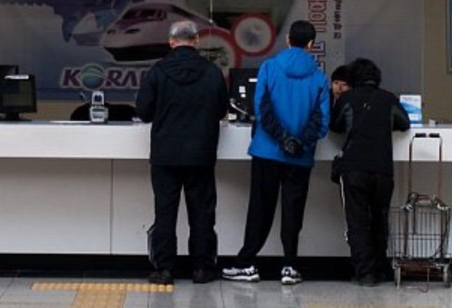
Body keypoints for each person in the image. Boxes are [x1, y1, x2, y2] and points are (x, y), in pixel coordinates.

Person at [222, 19, 329, 286]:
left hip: (267, 151)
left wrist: (281, 138)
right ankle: (289, 266)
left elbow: (262, 108)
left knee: (260, 207)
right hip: (300, 157)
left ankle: (247, 263)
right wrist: (298, 142)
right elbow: (321, 120)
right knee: (293, 211)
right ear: (311, 44)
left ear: (288, 39)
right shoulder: (319, 77)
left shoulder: (269, 67)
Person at [135, 19, 228, 286]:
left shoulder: (158, 71)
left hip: (166, 154)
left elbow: (143, 112)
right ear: (196, 40)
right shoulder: (212, 72)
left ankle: (165, 269)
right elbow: (221, 110)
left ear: (171, 42)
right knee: (202, 213)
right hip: (201, 153)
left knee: (165, 212)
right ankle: (202, 268)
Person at [328, 57, 410, 286]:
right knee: (379, 219)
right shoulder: (388, 99)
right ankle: (380, 269)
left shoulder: (347, 98)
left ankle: (365, 273)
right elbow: (404, 123)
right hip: (383, 169)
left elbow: (335, 125)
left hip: (354, 168)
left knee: (357, 221)